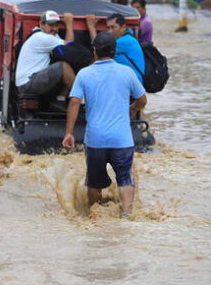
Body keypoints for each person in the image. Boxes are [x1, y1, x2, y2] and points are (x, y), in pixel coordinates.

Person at [62, 32, 147, 219]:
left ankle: (95, 215)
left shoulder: (84, 73)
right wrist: (132, 108)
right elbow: (142, 99)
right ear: (114, 52)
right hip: (122, 140)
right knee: (125, 177)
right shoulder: (126, 72)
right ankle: (127, 214)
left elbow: (74, 102)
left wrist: (69, 133)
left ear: (94, 51)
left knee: (93, 182)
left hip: (96, 140)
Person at [15, 10, 75, 100]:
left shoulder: (52, 36)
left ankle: (61, 99)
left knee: (70, 64)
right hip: (28, 83)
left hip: (31, 80)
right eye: (51, 25)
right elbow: (69, 46)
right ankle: (81, 98)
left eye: (56, 25)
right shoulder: (41, 37)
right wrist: (69, 24)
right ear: (41, 24)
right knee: (63, 67)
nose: (54, 28)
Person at [86, 13, 145, 84]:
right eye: (108, 28)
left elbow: (99, 49)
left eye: (113, 27)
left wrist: (91, 27)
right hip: (126, 80)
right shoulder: (129, 36)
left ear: (123, 27)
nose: (110, 31)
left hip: (132, 84)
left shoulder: (125, 41)